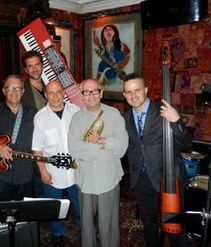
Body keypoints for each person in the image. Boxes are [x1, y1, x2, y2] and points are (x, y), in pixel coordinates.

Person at [122, 73, 192, 247]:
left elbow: (185, 144)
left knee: (175, 227)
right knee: (150, 224)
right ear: (124, 95)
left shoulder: (163, 110)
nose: (133, 95)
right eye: (128, 92)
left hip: (168, 179)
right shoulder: (125, 119)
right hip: (142, 180)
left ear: (145, 90)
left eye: (137, 90)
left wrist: (176, 121)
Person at [0, 50, 47, 197]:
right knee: (0, 213)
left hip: (26, 175)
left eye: (17, 88)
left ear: (22, 91)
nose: (14, 92)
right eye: (10, 88)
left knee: (26, 215)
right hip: (0, 176)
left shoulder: (33, 113)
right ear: (4, 91)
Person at [68, 78, 128, 247]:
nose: (91, 95)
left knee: (108, 224)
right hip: (85, 180)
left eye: (94, 91)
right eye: (86, 92)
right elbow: (74, 148)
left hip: (109, 178)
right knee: (86, 225)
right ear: (82, 96)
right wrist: (99, 147)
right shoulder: (76, 118)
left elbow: (122, 146)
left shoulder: (114, 114)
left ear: (100, 93)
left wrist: (103, 141)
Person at [32, 80, 80, 247]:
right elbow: (37, 149)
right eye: (50, 93)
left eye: (58, 91)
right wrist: (43, 172)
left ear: (63, 92)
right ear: (45, 95)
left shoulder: (75, 111)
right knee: (54, 206)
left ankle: (84, 226)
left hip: (77, 170)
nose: (55, 96)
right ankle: (57, 232)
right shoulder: (40, 118)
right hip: (53, 172)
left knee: (80, 203)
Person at [93, 24, 130, 90]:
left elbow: (128, 55)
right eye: (106, 31)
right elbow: (103, 55)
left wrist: (120, 65)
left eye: (110, 30)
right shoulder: (103, 48)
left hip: (117, 76)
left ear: (115, 32)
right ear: (103, 34)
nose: (108, 32)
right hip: (106, 73)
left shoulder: (122, 46)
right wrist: (98, 44)